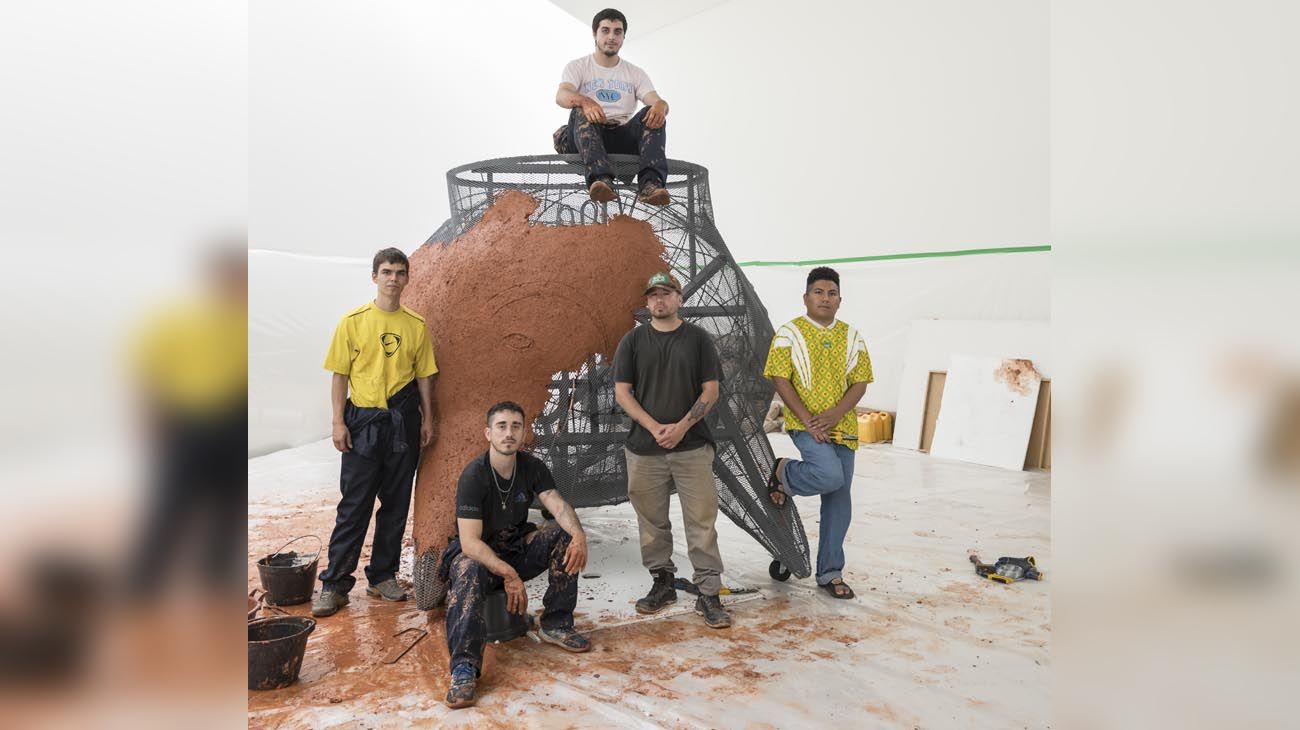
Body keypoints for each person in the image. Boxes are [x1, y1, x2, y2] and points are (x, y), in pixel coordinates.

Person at [440, 401, 591, 709]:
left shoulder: (532, 467)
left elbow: (558, 506)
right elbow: (470, 542)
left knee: (563, 536)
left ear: (524, 433)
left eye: (515, 427)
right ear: (488, 433)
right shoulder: (474, 475)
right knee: (468, 567)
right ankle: (464, 668)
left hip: (515, 548)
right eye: (501, 426)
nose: (509, 433)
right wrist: (508, 574)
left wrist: (579, 535)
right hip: (480, 557)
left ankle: (556, 623)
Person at [312, 248, 437, 617]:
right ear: (374, 277)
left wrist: (429, 419)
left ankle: (383, 575)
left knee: (396, 505)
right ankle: (334, 583)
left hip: (403, 425)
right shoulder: (352, 322)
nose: (393, 279)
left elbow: (425, 377)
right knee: (354, 507)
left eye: (400, 272)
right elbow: (340, 375)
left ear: (407, 278)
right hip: (363, 423)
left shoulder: (416, 325)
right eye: (386, 272)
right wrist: (338, 422)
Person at [613, 272, 731, 628]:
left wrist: (681, 428)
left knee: (701, 522)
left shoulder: (697, 340)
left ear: (680, 298)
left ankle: (709, 593)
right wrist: (653, 428)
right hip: (644, 449)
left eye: (666, 294)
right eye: (653, 296)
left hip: (692, 446)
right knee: (651, 523)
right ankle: (662, 582)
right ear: (647, 303)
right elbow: (622, 392)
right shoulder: (632, 342)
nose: (659, 301)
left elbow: (710, 391)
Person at [763, 266, 873, 599]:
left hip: (845, 428)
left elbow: (860, 382)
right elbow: (779, 379)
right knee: (828, 475)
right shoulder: (788, 333)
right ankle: (784, 471)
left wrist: (837, 414)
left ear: (840, 300)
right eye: (818, 292)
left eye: (832, 293)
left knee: (840, 502)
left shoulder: (852, 335)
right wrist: (810, 420)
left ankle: (830, 573)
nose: (825, 298)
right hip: (804, 424)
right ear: (806, 297)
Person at [554, 8, 672, 206]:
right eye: (605, 30)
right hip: (586, 135)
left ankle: (650, 185)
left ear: (623, 36)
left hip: (621, 136)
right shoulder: (578, 66)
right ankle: (600, 180)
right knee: (581, 108)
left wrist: (661, 105)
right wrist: (585, 101)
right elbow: (562, 95)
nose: (611, 37)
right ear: (595, 34)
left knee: (651, 113)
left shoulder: (635, 73)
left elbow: (655, 100)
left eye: (617, 32)